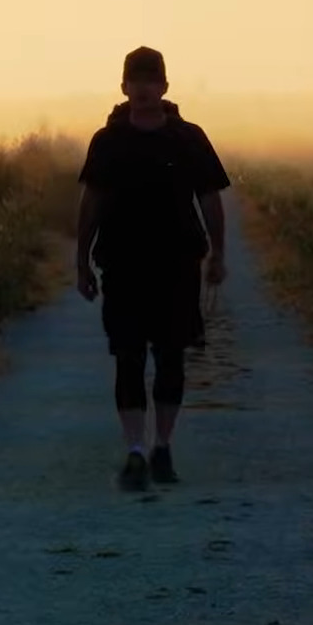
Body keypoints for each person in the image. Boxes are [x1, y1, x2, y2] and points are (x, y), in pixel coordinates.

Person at [75, 46, 231, 491]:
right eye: (135, 80)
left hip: (177, 264)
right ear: (124, 87)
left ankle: (162, 446)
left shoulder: (189, 138)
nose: (143, 88)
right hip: (122, 266)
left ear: (164, 86)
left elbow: (209, 199)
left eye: (151, 80)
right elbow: (92, 204)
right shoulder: (107, 142)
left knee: (169, 358)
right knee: (127, 358)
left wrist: (218, 254)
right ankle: (135, 452)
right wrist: (80, 261)